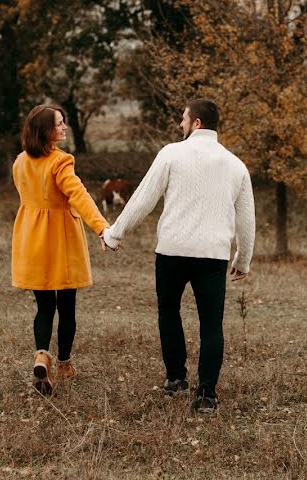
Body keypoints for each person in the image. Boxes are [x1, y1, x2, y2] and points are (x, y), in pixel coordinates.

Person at [101, 98, 255, 414]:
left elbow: (144, 198)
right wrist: (243, 259)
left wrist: (115, 233)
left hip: (172, 250)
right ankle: (207, 395)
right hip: (212, 256)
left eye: (184, 119)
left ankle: (176, 379)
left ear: (196, 123)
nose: (180, 125)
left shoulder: (171, 153)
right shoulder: (236, 165)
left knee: (168, 312)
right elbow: (246, 218)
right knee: (212, 323)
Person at [11, 104, 110, 395]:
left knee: (44, 306)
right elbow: (78, 195)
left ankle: (42, 354)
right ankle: (64, 362)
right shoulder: (60, 161)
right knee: (66, 307)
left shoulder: (19, 161)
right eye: (59, 123)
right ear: (45, 131)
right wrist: (102, 227)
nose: (65, 127)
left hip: (31, 238)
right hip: (60, 239)